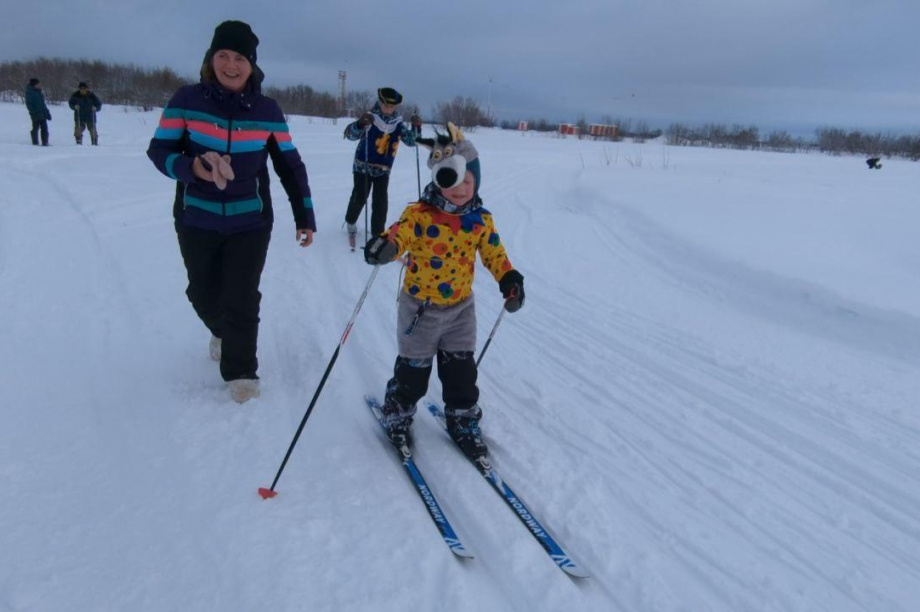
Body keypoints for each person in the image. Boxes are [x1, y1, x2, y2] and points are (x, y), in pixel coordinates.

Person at [146, 20, 317, 403]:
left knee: (241, 296)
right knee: (202, 293)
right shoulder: (186, 100)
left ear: (251, 65)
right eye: (223, 55)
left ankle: (241, 373)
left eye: (240, 58)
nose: (231, 65)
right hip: (196, 218)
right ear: (211, 59)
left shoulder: (268, 111)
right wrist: (189, 167)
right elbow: (159, 150)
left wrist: (304, 215)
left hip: (250, 222)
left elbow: (290, 165)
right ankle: (222, 331)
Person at [364, 123, 525, 460]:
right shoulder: (419, 214)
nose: (461, 189)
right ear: (439, 177)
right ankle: (398, 411)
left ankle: (463, 419)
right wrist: (386, 246)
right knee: (413, 373)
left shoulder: (480, 220)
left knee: (461, 373)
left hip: (460, 310)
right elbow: (400, 234)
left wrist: (509, 278)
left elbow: (494, 253)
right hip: (420, 310)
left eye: (468, 181)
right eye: (454, 181)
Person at [343, 87, 422, 246]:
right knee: (360, 196)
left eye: (392, 106)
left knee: (381, 202)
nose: (388, 109)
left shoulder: (397, 123)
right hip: (363, 166)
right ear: (380, 103)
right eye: (386, 105)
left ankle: (378, 233)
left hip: (383, 170)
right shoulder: (370, 118)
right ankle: (351, 221)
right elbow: (349, 134)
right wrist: (360, 124)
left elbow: (411, 142)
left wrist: (416, 128)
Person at [25, 78, 51, 146]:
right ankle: (35, 142)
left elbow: (43, 104)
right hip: (35, 114)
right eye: (38, 84)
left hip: (42, 114)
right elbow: (29, 104)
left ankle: (45, 142)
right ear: (34, 85)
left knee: (44, 128)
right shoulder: (30, 93)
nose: (40, 85)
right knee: (35, 128)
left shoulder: (39, 93)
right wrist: (33, 112)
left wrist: (47, 112)